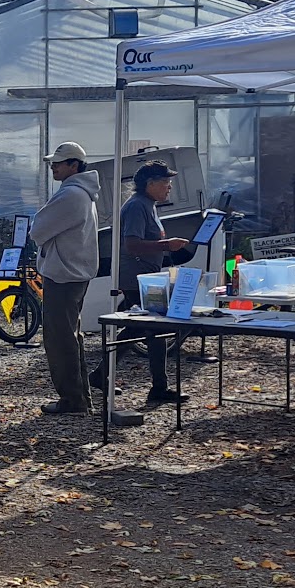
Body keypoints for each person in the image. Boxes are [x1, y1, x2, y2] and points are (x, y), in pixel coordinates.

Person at [92, 162, 193, 406]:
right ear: (150, 184)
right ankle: (158, 387)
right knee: (153, 329)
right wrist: (167, 245)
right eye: (165, 182)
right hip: (137, 277)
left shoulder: (147, 205)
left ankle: (99, 375)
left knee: (140, 329)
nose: (169, 187)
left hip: (145, 276)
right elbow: (132, 244)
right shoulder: (137, 206)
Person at [29, 142, 105, 416]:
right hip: (75, 273)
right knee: (71, 335)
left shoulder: (71, 194)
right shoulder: (83, 193)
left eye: (59, 162)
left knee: (60, 339)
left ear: (74, 165)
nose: (54, 166)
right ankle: (80, 397)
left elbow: (37, 229)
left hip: (63, 275)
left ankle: (72, 400)